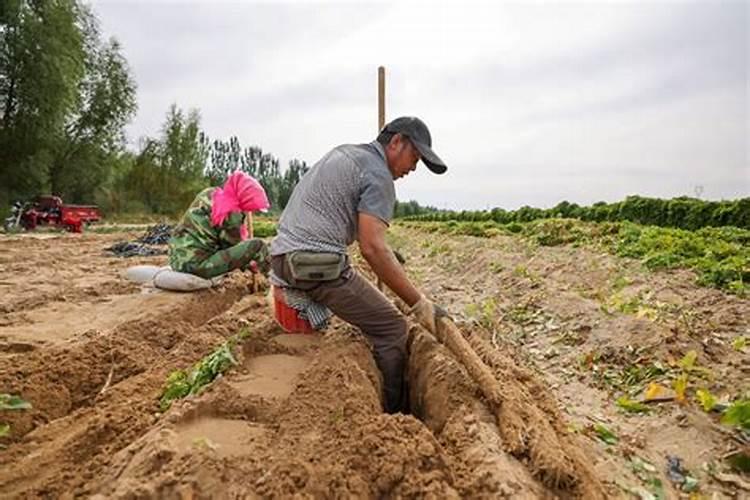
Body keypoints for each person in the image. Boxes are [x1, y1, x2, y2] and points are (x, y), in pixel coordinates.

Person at [270, 116, 448, 413]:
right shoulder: (378, 175)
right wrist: (419, 304)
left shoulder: (348, 154)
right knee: (392, 328)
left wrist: (388, 255)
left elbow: (365, 234)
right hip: (314, 264)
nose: (412, 168)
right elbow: (372, 248)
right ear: (396, 142)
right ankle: (393, 412)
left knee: (372, 313)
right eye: (414, 158)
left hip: (284, 257)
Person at [169, 171, 270, 279]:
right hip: (197, 265)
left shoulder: (210, 194)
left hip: (178, 260)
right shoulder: (232, 213)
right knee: (257, 245)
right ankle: (271, 280)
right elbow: (232, 247)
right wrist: (249, 263)